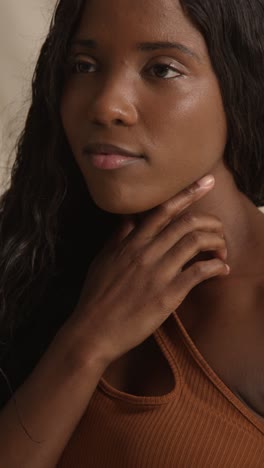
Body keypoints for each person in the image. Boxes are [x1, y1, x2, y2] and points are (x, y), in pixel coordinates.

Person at [0, 0, 264, 465]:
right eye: (84, 66)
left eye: (162, 69)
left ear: (240, 82)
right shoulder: (27, 257)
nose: (106, 105)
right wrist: (87, 341)